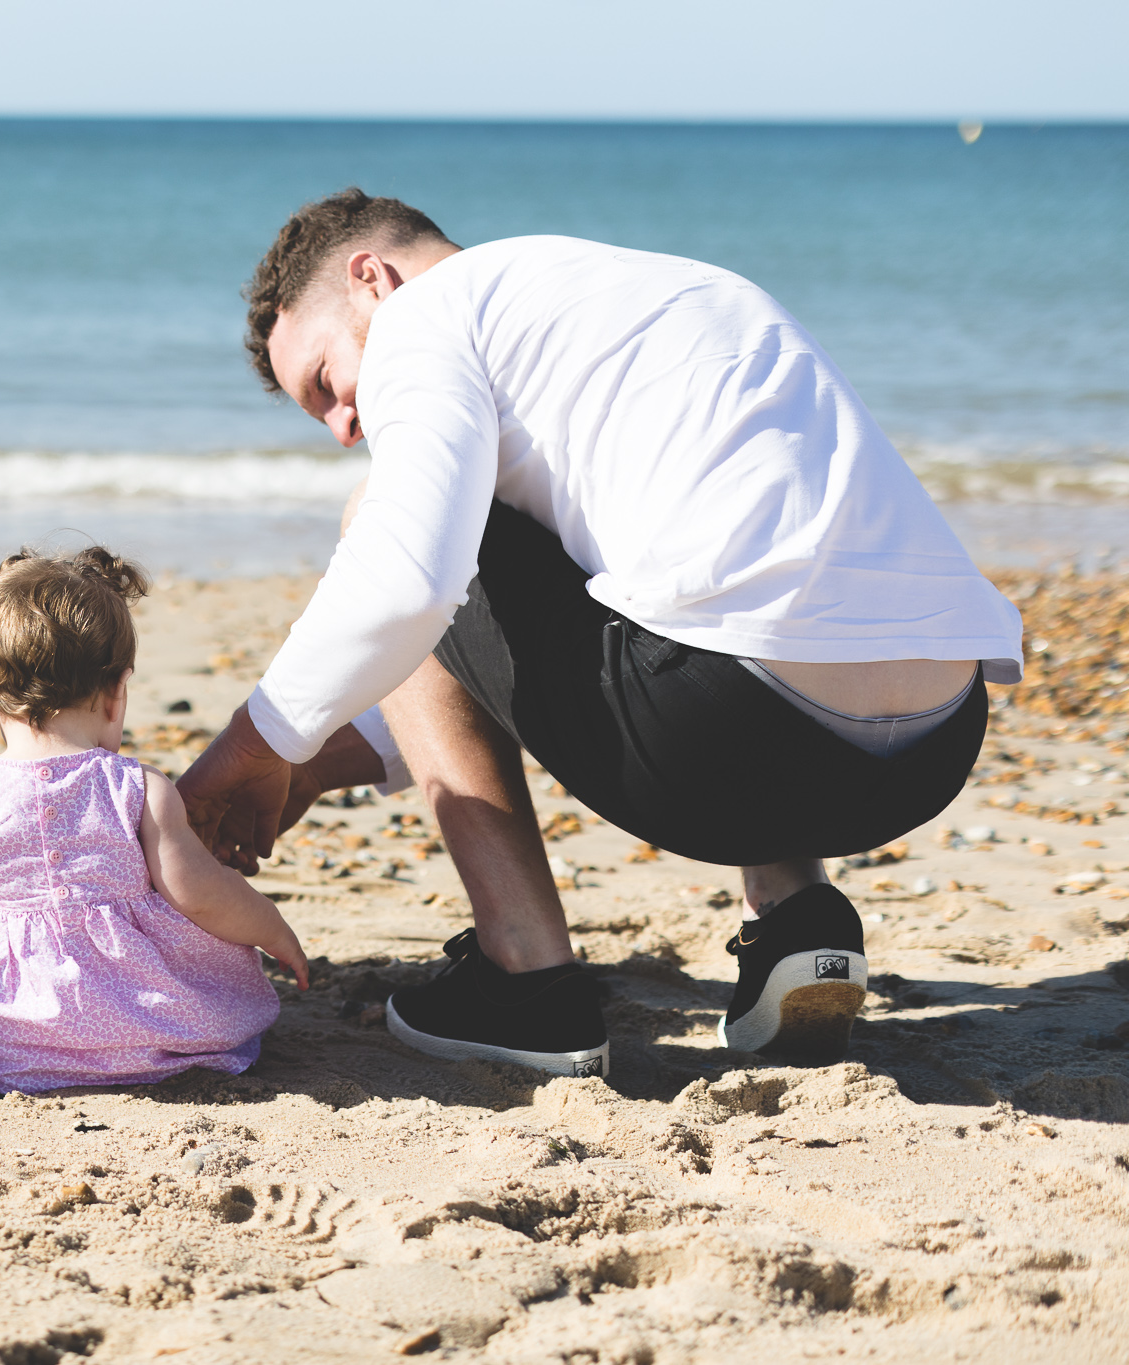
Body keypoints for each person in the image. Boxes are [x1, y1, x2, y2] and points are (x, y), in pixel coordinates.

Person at [179, 189, 1023, 1079]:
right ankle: (798, 919)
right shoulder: (652, 289)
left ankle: (527, 978)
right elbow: (490, 670)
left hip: (740, 735)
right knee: (705, 569)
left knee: (386, 522)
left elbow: (411, 588)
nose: (347, 425)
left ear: (370, 281)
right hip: (934, 742)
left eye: (326, 384)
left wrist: (245, 746)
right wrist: (308, 761)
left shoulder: (428, 314)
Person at [0, 547, 309, 1093]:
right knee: (211, 1001)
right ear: (116, 692)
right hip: (138, 1033)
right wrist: (273, 929)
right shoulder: (138, 787)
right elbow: (200, 892)